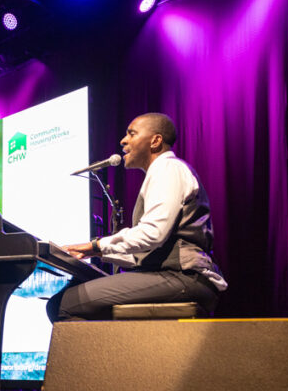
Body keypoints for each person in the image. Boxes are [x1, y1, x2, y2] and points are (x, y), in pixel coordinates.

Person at [47, 112, 226, 321]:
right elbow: (149, 251)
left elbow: (152, 234)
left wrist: (95, 246)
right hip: (174, 275)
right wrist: (95, 253)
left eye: (131, 134)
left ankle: (106, 354)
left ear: (155, 140)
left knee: (63, 305)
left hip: (183, 277)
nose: (123, 141)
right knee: (78, 301)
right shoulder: (163, 171)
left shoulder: (168, 168)